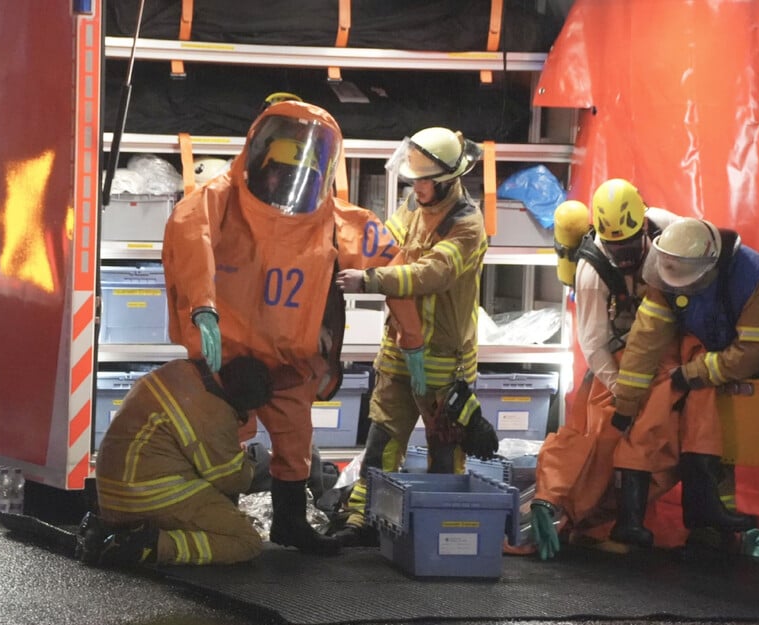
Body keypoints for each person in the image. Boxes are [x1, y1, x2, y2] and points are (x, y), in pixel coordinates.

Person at [161, 99, 424, 555]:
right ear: (260, 158)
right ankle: (216, 517)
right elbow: (190, 236)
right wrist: (203, 307)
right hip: (231, 357)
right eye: (278, 169)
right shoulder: (220, 198)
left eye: (296, 170)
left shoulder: (337, 220)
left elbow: (392, 266)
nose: (284, 181)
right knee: (220, 441)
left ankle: (289, 523)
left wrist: (414, 341)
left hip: (290, 362)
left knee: (295, 442)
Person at [332, 126, 500, 546]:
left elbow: (432, 274)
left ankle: (443, 531)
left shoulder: (467, 224)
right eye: (414, 179)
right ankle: (363, 519)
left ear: (447, 180)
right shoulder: (412, 205)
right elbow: (386, 245)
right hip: (398, 349)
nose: (417, 187)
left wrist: (369, 281)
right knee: (381, 441)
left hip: (445, 358)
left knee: (445, 451)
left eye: (425, 180)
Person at [531, 179, 687, 559]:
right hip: (616, 359)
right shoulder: (591, 271)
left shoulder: (667, 227)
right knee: (599, 438)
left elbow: (696, 250)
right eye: (616, 248)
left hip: (665, 348)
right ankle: (577, 511)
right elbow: (594, 344)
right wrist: (624, 392)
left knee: (666, 431)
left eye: (631, 246)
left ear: (644, 228)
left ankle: (629, 518)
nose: (624, 255)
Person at [612, 218, 759, 539]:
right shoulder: (670, 275)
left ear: (710, 269)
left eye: (688, 286)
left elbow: (756, 351)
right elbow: (644, 344)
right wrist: (626, 404)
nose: (681, 292)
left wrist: (695, 372)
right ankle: (719, 535)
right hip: (725, 373)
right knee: (721, 450)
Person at [77, 355, 273, 567]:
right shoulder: (214, 412)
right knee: (246, 541)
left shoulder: (181, 370)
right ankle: (149, 545)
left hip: (113, 494)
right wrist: (255, 461)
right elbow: (233, 480)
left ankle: (106, 531)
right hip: (153, 495)